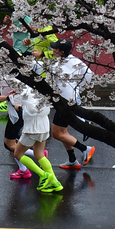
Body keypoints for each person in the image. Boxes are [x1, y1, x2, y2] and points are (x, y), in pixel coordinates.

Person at [47, 40, 95, 169]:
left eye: (55, 49)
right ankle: (72, 159)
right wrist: (77, 86)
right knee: (63, 132)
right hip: (68, 100)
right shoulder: (76, 61)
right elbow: (89, 75)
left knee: (57, 133)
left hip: (64, 103)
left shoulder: (56, 65)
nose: (53, 50)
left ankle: (85, 149)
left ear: (61, 52)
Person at [14, 85, 63, 193]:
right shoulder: (41, 88)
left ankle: (43, 175)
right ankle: (55, 182)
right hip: (44, 127)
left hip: (32, 129)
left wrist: (19, 107)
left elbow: (32, 109)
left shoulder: (25, 91)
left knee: (18, 153)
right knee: (39, 154)